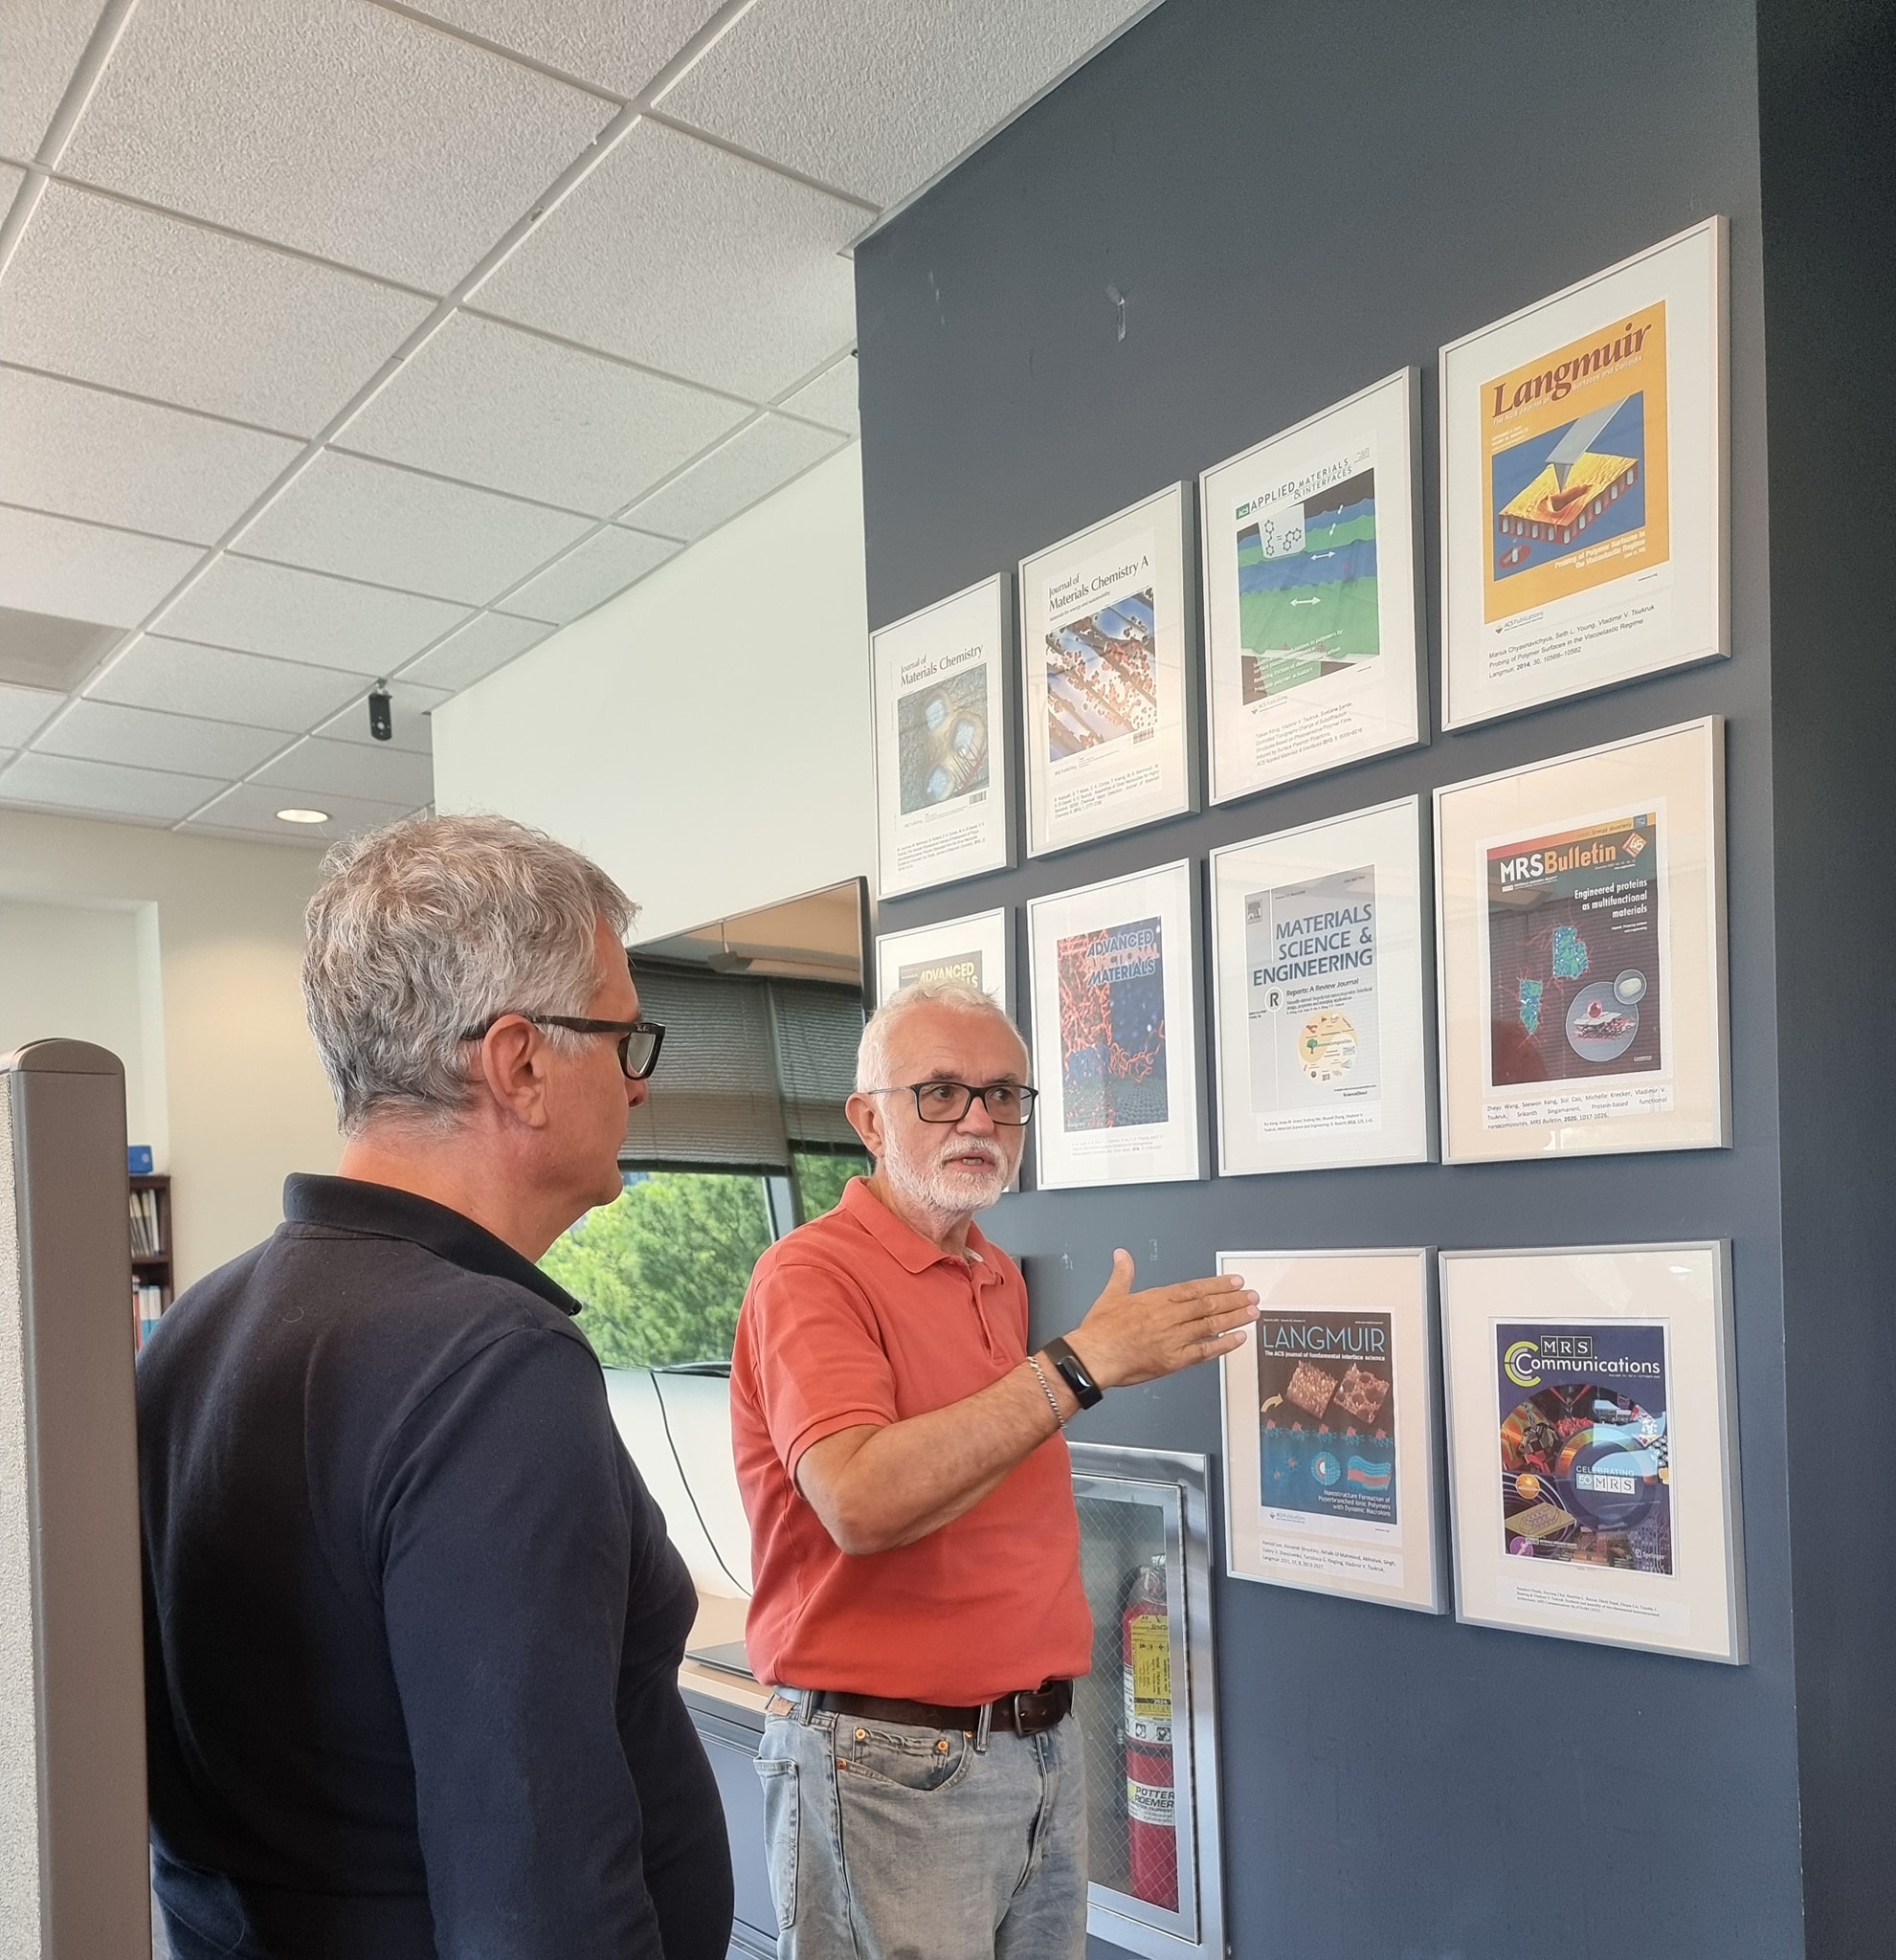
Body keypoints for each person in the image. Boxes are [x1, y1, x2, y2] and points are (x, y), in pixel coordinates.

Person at [138, 814, 733, 1960]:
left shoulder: (195, 1326)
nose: (637, 1087)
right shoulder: (490, 1366)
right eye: (623, 1038)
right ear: (520, 1063)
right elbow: (536, 1899)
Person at [729, 979, 1259, 1959]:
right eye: (940, 1091)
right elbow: (860, 1499)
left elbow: (972, 1465)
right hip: (889, 1762)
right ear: (868, 1121)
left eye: (1003, 1094)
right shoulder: (809, 1274)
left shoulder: (995, 1272)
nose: (978, 1119)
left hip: (1037, 1746)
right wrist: (1078, 1366)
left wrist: (1073, 1373)